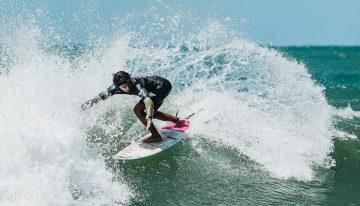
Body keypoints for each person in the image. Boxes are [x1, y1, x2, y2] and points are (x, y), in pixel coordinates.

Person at [81, 71, 183, 143]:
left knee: (138, 110)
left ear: (129, 80)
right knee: (148, 111)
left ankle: (156, 136)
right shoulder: (114, 88)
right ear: (118, 87)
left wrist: (149, 119)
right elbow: (100, 97)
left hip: (162, 87)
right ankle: (175, 120)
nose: (127, 88)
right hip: (155, 89)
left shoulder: (137, 85)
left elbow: (148, 101)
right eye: (123, 87)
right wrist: (86, 106)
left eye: (128, 84)